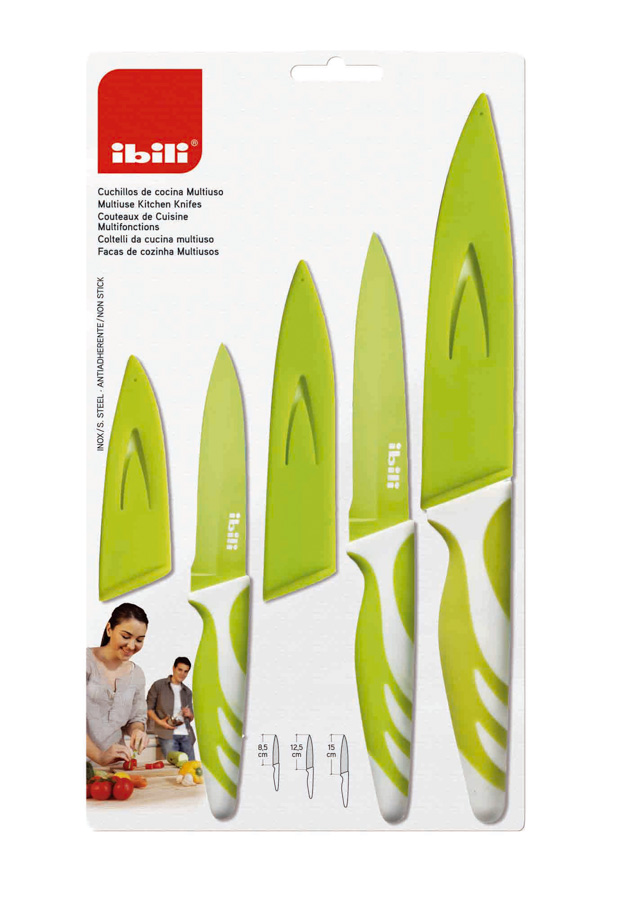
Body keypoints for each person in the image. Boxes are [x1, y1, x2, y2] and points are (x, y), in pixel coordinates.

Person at [86, 603, 150, 766]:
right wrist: (99, 756)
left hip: (116, 766)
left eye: (139, 640)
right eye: (126, 636)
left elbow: (136, 717)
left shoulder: (137, 674)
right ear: (109, 629)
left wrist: (137, 730)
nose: (131, 646)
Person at [147, 657, 196, 760]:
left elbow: (191, 718)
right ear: (174, 668)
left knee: (192, 767)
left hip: (186, 735)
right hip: (167, 735)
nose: (182, 674)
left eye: (186, 671)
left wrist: (189, 714)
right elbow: (148, 708)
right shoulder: (159, 685)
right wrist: (160, 722)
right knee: (173, 766)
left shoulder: (187, 692)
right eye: (180, 670)